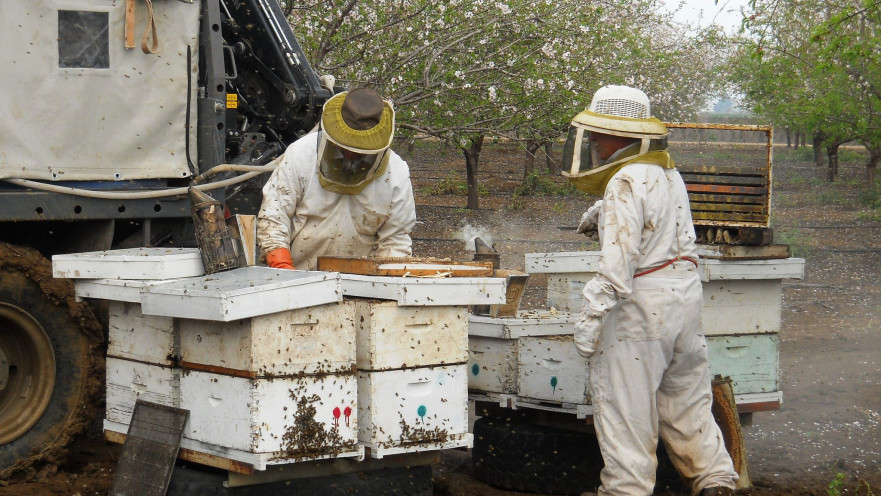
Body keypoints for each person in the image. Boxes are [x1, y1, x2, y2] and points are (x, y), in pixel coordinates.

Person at [561, 85, 738, 496]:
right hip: (684, 296)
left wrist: (591, 316)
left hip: (641, 304)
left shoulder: (624, 180)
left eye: (601, 134)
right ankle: (715, 481)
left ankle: (626, 490)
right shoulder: (667, 172)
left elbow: (619, 262)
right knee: (687, 400)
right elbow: (659, 223)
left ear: (622, 136)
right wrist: (603, 213)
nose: (595, 142)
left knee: (626, 407)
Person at [257, 87, 417, 270]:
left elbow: (395, 240)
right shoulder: (300, 154)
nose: (350, 156)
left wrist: (385, 284)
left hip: (362, 283)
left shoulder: (396, 173)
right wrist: (282, 266)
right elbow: (274, 215)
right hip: (297, 274)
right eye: (345, 149)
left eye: (359, 151)